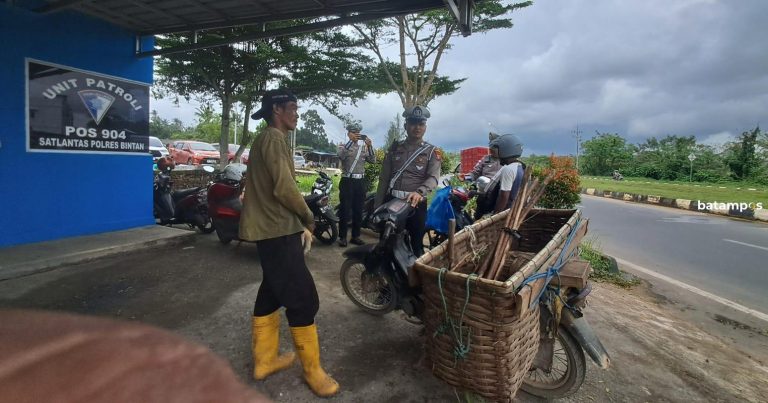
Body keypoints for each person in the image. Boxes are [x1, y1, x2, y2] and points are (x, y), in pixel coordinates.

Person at [239, 89, 339, 397]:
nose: (297, 114)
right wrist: (308, 216)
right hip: (276, 231)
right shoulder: (274, 139)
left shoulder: (270, 139)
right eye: (293, 109)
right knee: (302, 299)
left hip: (274, 229)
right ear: (277, 111)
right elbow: (284, 188)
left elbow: (277, 187)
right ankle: (313, 371)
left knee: (271, 292)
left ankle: (264, 360)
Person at [375, 105, 441, 256]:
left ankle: (413, 279)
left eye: (421, 124)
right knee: (386, 243)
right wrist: (378, 206)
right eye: (413, 123)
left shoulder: (431, 151)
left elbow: (433, 178)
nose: (417, 127)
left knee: (416, 246)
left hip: (415, 205)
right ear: (406, 126)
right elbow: (384, 179)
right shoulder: (394, 149)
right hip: (392, 202)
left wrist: (420, 192)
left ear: (425, 127)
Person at [337, 122, 375, 247]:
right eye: (353, 132)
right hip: (347, 181)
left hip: (360, 182)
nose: (356, 135)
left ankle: (355, 236)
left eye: (357, 133)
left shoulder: (362, 149)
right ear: (348, 134)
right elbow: (341, 156)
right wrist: (350, 142)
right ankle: (342, 237)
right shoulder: (343, 146)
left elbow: (373, 161)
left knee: (358, 210)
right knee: (345, 210)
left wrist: (369, 146)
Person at [487, 134, 526, 214]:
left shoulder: (508, 169)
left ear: (505, 150)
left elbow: (503, 196)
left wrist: (495, 214)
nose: (497, 155)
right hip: (515, 211)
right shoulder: (520, 167)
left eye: (499, 150)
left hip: (506, 213)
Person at [468, 132, 502, 220]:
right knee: (477, 219)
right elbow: (475, 173)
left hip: (498, 197)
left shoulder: (505, 161)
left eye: (494, 146)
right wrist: (467, 177)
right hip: (483, 195)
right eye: (490, 145)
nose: (491, 148)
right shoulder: (485, 159)